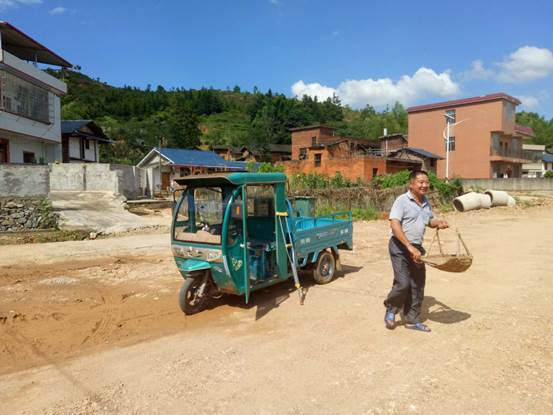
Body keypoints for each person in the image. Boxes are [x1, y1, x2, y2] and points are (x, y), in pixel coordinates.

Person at [384, 170, 449, 332]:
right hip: (399, 246)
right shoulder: (402, 201)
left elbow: (428, 221)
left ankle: (412, 320)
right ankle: (391, 308)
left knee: (417, 284)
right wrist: (408, 246)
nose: (424, 185)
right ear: (411, 184)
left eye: (426, 182)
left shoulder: (426, 202)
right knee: (403, 283)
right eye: (420, 182)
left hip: (417, 248)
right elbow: (394, 224)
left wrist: (438, 222)